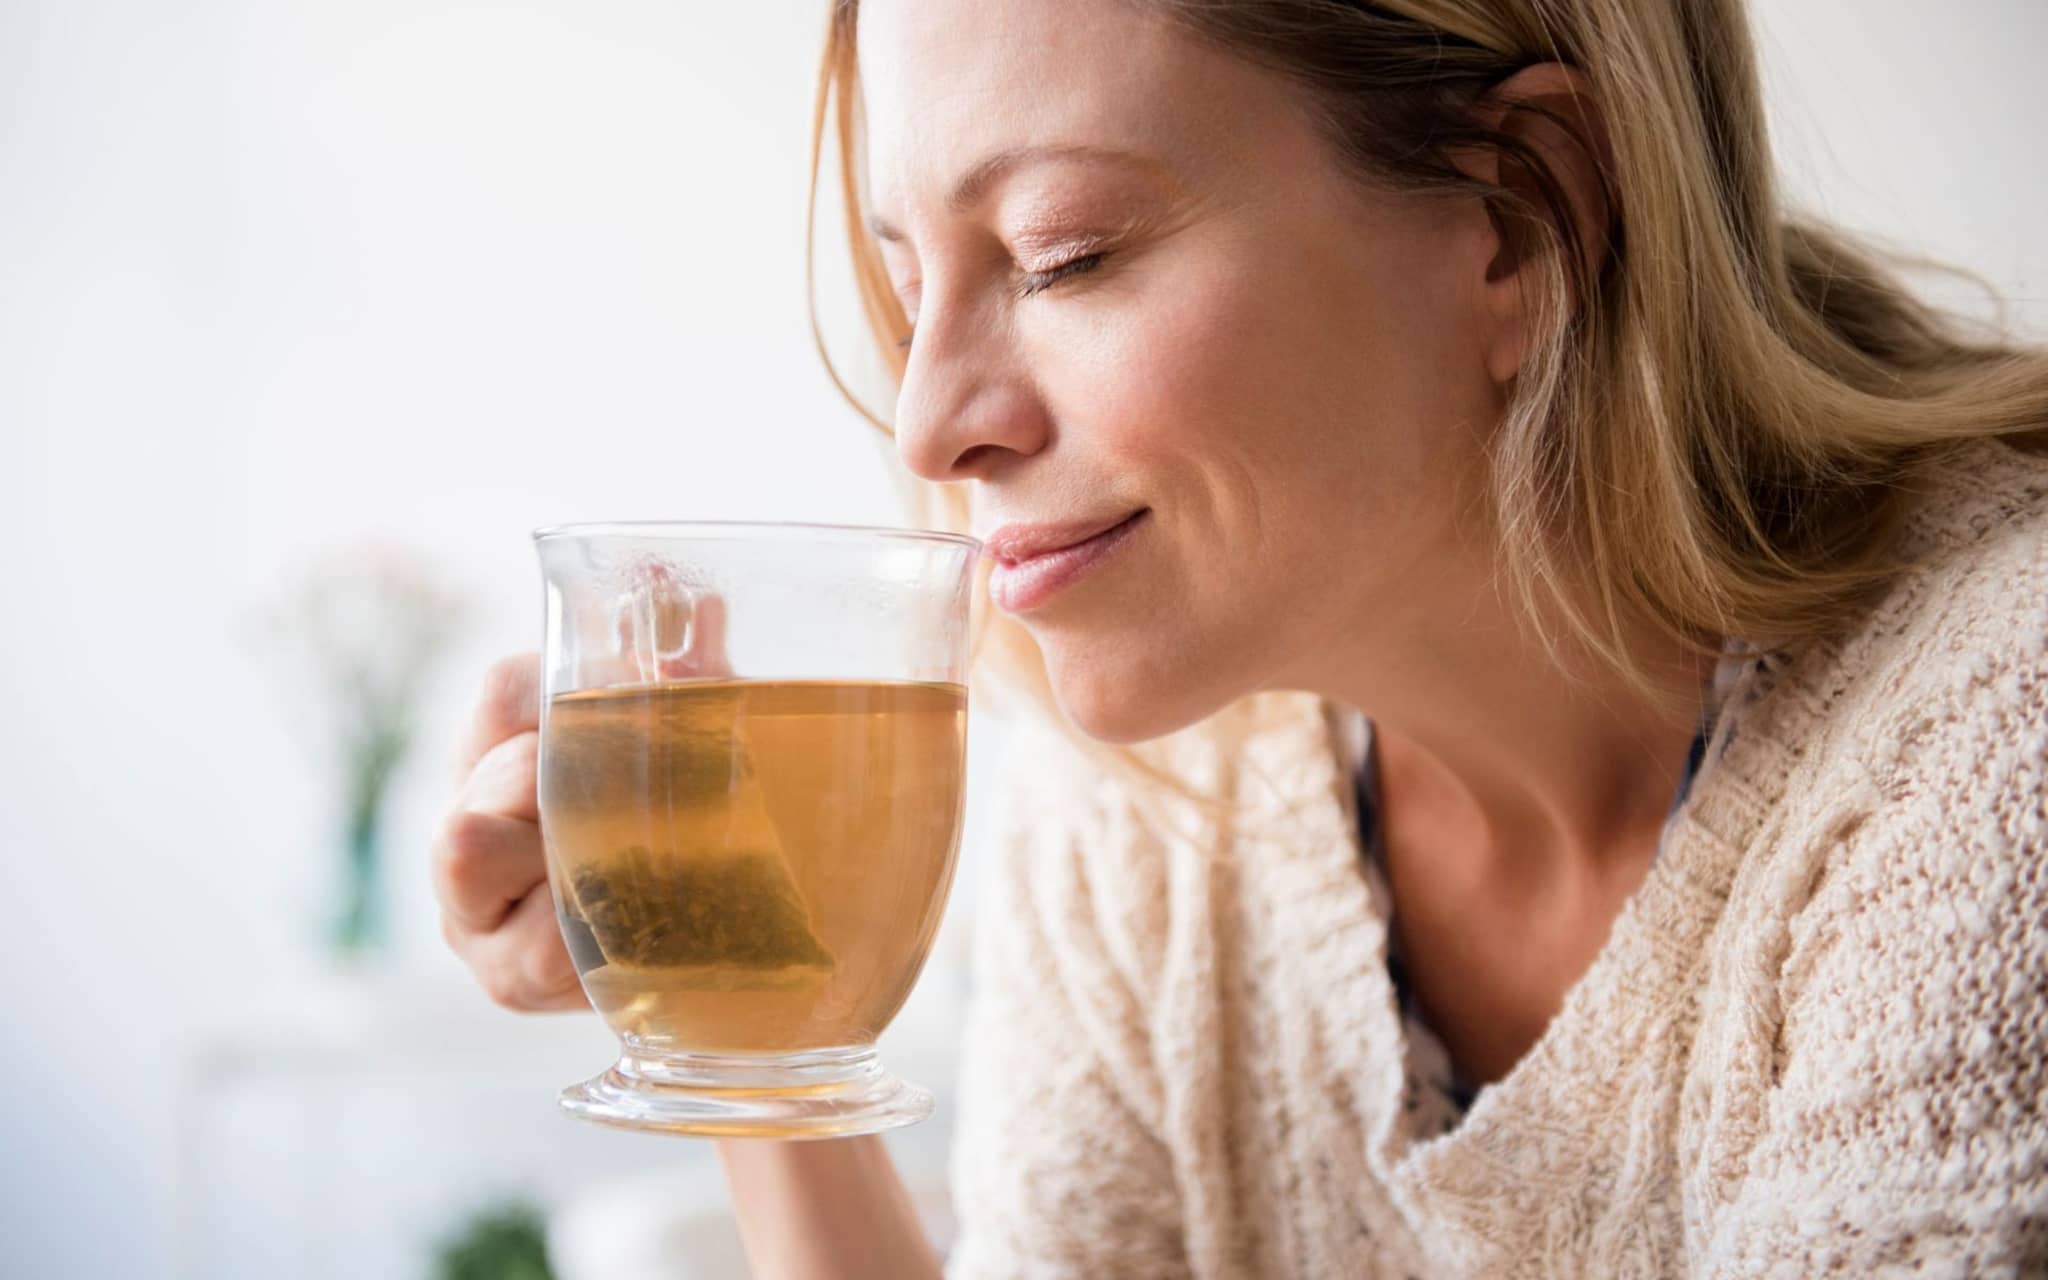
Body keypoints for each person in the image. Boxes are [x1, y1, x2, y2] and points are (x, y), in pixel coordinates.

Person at [431, 0, 2048, 1274]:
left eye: (1065, 253)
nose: (927, 425)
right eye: (906, 277)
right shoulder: (1152, 796)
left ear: (1523, 217)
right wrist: (745, 1003)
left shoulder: (1994, 746)